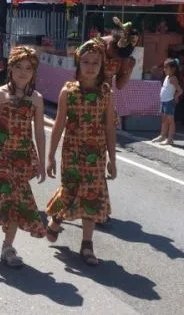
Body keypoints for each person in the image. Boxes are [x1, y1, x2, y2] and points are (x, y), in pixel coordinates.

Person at [44, 38, 117, 266]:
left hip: (97, 154)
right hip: (72, 152)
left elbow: (109, 127)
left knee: (92, 195)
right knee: (71, 190)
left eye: (96, 62)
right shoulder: (69, 91)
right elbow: (58, 125)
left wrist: (112, 159)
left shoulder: (106, 93)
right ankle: (56, 218)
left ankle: (87, 245)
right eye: (86, 61)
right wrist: (50, 155)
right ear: (78, 63)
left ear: (102, 65)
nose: (91, 67)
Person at [0, 46, 46, 268]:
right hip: (2, 153)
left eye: (28, 68)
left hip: (25, 155)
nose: (23, 72)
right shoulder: (0, 94)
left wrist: (42, 163)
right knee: (6, 195)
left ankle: (7, 246)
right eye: (18, 67)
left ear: (34, 72)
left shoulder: (36, 99)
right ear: (10, 69)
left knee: (16, 199)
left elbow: (38, 132)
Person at [152, 58, 183, 145]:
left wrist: (175, 97)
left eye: (166, 67)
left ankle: (170, 139)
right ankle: (162, 135)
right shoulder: (167, 77)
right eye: (164, 67)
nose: (164, 69)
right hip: (164, 101)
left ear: (173, 69)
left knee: (170, 120)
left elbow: (180, 90)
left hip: (169, 101)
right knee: (164, 119)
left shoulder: (173, 79)